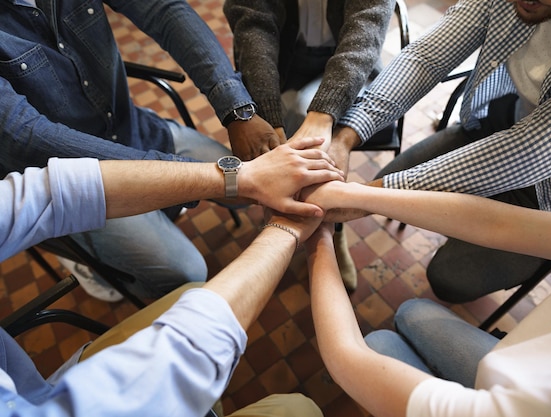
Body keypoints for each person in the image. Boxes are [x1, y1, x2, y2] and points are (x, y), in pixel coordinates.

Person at [302, 10, 551, 416]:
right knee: (413, 312)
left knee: (381, 343)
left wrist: (319, 240)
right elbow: (499, 223)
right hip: (521, 364)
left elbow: (348, 359)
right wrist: (359, 190)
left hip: (513, 392)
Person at [0, 136, 341, 415]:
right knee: (299, 410)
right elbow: (165, 376)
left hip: (39, 390)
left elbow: (50, 193)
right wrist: (285, 229)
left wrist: (241, 177)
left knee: (191, 288)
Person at [324, 0, 551, 303]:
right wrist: (345, 140)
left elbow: (528, 153)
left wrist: (365, 197)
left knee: (447, 277)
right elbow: (426, 56)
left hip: (549, 193)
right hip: (498, 125)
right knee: (388, 185)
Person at [0, 0, 280, 302]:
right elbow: (24, 134)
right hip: (65, 183)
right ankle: (83, 257)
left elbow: (163, 9)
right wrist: (194, 176)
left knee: (241, 193)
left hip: (131, 130)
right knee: (187, 273)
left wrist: (236, 110)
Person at [223, 0, 395, 290]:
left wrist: (324, 113)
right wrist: (270, 114)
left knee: (313, 129)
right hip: (281, 60)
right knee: (277, 132)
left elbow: (364, 30)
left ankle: (327, 228)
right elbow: (254, 24)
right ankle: (301, 218)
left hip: (351, 61)